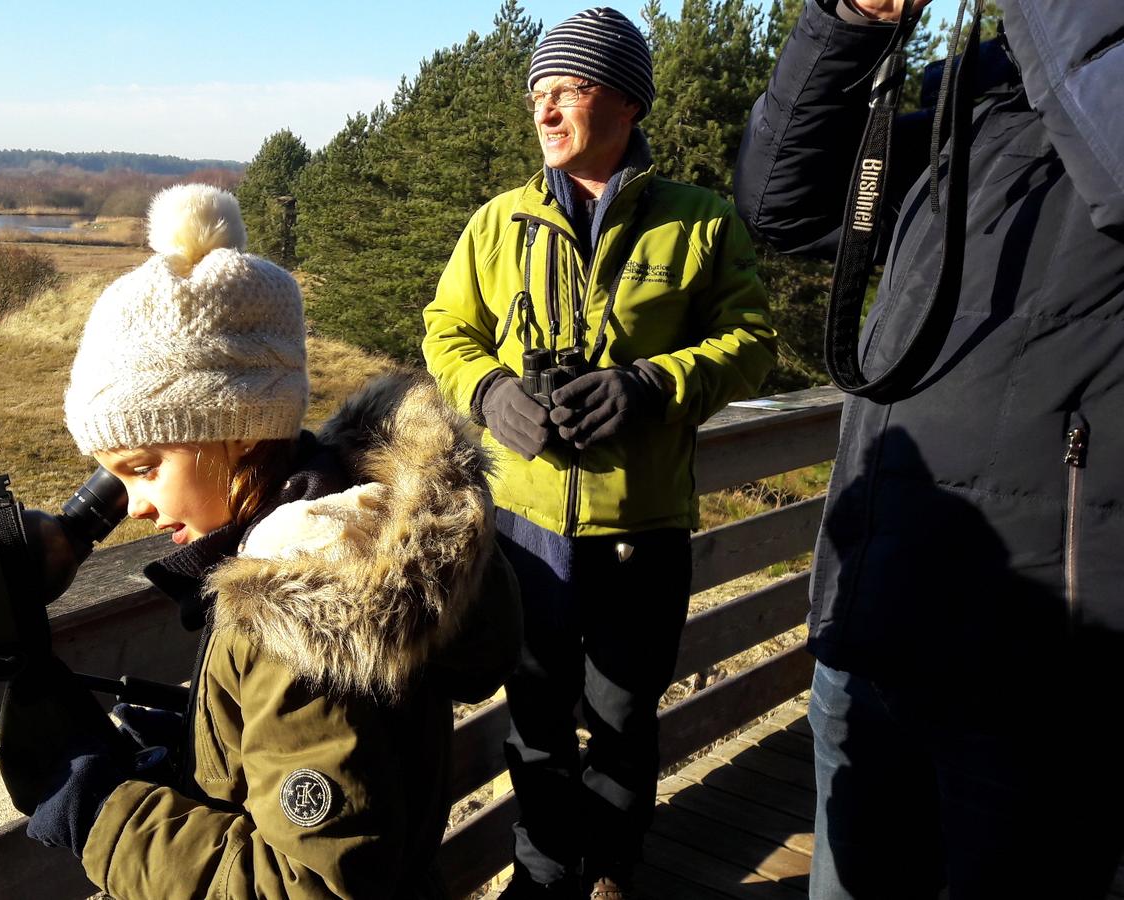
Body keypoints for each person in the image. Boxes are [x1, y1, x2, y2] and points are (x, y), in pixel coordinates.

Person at [10, 183, 521, 898]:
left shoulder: (306, 604)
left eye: (145, 468)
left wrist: (102, 812)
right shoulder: (345, 531)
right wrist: (206, 745)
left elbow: (304, 883)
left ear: (240, 428)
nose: (132, 507)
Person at [735, 1, 1124, 897]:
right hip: (874, 619)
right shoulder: (987, 98)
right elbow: (784, 204)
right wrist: (850, 22)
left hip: (1039, 668)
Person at [421, 9, 776, 898]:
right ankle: (541, 879)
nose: (545, 110)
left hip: (640, 529)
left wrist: (653, 383)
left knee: (622, 717)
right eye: (537, 94)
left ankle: (613, 869)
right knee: (535, 718)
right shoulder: (499, 224)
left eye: (566, 89)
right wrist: (492, 393)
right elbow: (446, 330)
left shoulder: (697, 222)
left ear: (625, 101)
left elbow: (752, 341)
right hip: (526, 527)